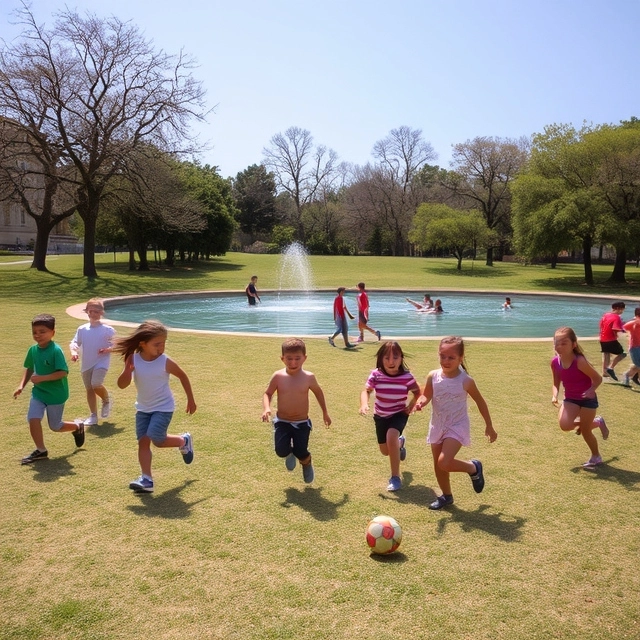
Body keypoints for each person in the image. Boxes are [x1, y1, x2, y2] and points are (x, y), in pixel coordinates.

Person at [112, 320, 196, 493]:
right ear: (142, 343)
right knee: (143, 442)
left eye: (164, 343)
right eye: (157, 344)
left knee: (156, 439)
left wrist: (191, 400)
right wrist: (127, 370)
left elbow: (183, 376)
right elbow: (122, 384)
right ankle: (146, 479)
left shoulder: (164, 361)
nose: (161, 348)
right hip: (143, 408)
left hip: (163, 407)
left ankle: (183, 440)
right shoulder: (132, 358)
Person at [415, 336, 497, 510]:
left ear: (461, 358)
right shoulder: (433, 376)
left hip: (457, 425)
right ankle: (446, 496)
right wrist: (421, 401)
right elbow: (426, 395)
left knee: (444, 461)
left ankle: (473, 468)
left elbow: (481, 402)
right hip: (437, 425)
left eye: (451, 357)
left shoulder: (466, 381)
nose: (446, 360)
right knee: (438, 463)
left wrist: (489, 426)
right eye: (442, 356)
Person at [14, 313, 85, 464]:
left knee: (55, 426)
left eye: (42, 331)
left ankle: (78, 426)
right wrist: (21, 386)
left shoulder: (55, 350)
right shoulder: (33, 350)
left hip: (56, 395)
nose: (38, 335)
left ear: (53, 332)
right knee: (33, 419)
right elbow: (29, 368)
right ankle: (41, 450)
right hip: (38, 393)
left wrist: (42, 378)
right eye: (34, 332)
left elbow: (63, 373)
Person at [262, 338, 331, 484]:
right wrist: (267, 408)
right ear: (282, 359)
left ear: (304, 358)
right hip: (282, 421)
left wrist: (325, 412)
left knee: (301, 451)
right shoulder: (278, 376)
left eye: (297, 358)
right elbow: (267, 393)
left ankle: (306, 463)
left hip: (301, 422)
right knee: (281, 451)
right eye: (289, 359)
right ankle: (288, 453)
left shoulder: (308, 377)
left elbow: (318, 393)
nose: (293, 363)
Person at [359, 341, 420, 492]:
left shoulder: (407, 377)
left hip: (399, 414)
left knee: (391, 435)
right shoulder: (376, 375)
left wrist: (410, 406)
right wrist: (364, 404)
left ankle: (395, 477)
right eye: (386, 358)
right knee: (385, 451)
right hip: (380, 416)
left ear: (401, 358)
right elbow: (366, 391)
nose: (391, 362)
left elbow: (418, 392)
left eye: (395, 357)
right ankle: (400, 443)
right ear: (381, 359)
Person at [551, 326, 609, 467]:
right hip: (570, 399)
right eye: (556, 342)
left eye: (564, 343)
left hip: (588, 401)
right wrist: (554, 395)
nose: (559, 346)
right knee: (565, 425)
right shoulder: (555, 362)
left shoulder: (580, 361)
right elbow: (555, 382)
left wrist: (592, 389)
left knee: (586, 431)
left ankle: (596, 457)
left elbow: (597, 378)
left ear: (574, 344)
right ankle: (598, 421)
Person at [69, 298, 116, 426]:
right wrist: (74, 353)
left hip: (101, 363)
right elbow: (74, 343)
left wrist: (107, 349)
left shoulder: (108, 330)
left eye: (97, 311)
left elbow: (116, 345)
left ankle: (106, 400)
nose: (94, 314)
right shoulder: (82, 329)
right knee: (89, 389)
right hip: (86, 363)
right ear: (87, 312)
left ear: (101, 313)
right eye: (91, 311)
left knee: (96, 384)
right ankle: (93, 416)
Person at [599, 301, 626, 380]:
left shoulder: (605, 315)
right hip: (610, 339)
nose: (622, 312)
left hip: (603, 338)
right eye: (622, 310)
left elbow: (601, 325)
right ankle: (610, 368)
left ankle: (605, 372)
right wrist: (621, 333)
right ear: (618, 308)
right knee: (622, 354)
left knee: (606, 354)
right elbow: (615, 328)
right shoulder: (617, 317)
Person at [621, 307, 640, 386]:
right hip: (635, 347)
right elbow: (622, 328)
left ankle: (633, 377)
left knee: (638, 365)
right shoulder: (633, 322)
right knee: (638, 365)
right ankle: (627, 376)